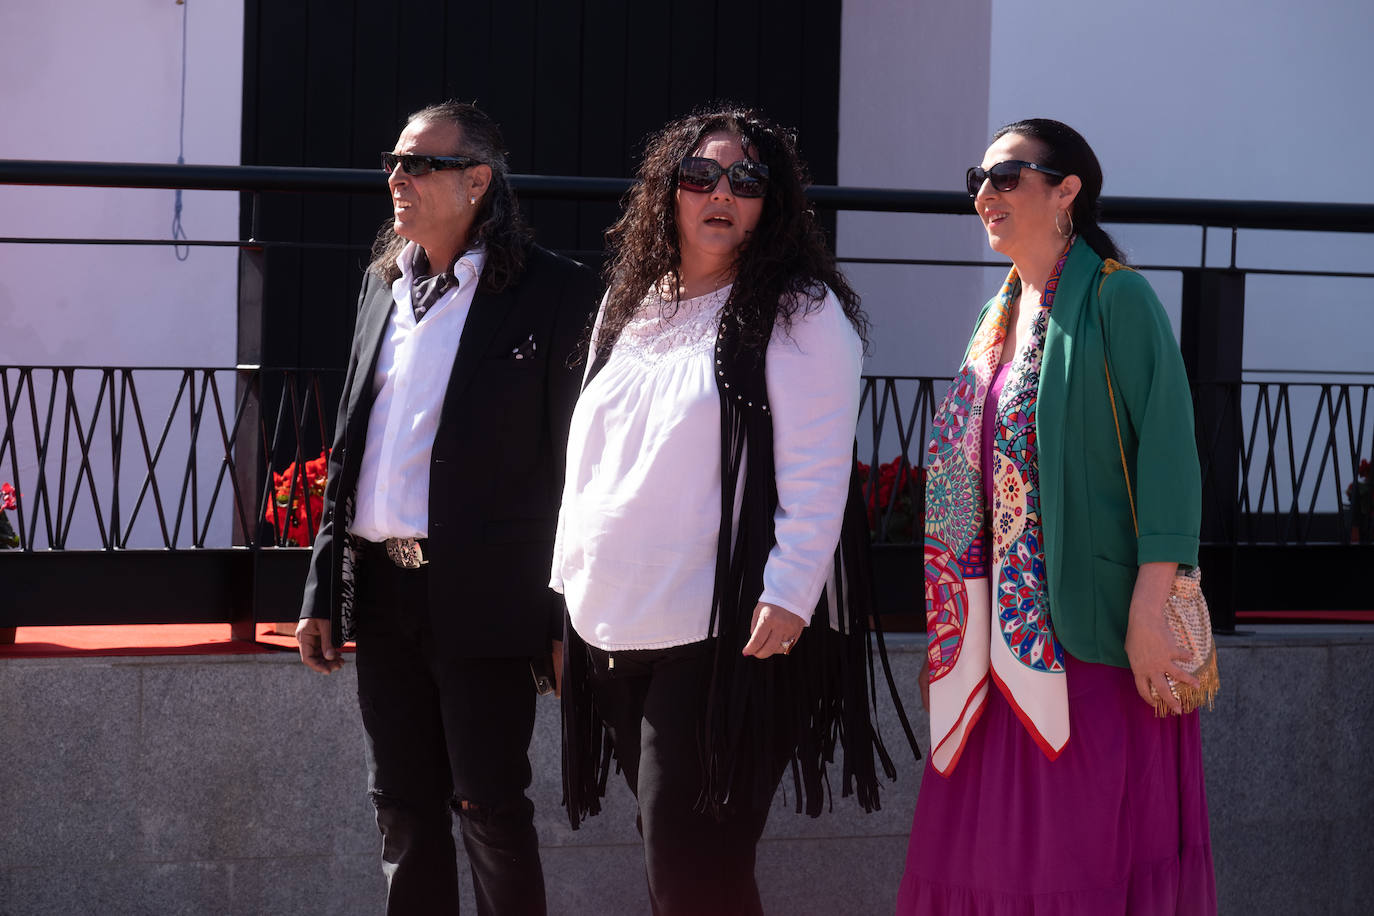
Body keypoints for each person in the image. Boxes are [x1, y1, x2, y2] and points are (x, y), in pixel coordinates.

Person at [551, 107, 890, 916]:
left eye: (746, 181)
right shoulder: (635, 302)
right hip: (615, 623)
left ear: (773, 204)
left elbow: (818, 469)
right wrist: (564, 599)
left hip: (726, 633)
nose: (721, 194)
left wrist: (791, 589)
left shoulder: (800, 311)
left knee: (692, 870)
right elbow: (587, 463)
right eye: (699, 175)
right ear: (667, 192)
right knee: (686, 870)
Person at [896, 118, 1216, 913]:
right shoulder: (993, 320)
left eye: (1007, 177)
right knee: (997, 867)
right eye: (978, 178)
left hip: (1093, 642)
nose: (985, 194)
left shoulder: (1119, 298)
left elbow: (1170, 459)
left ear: (1067, 191)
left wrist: (1150, 606)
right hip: (990, 648)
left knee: (1079, 864)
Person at [295, 100, 599, 915]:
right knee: (400, 805)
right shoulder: (380, 283)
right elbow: (352, 448)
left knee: (489, 806)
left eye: (419, 163)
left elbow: (580, 467)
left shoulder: (556, 293)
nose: (397, 176)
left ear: (477, 181)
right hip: (385, 595)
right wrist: (325, 590)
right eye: (394, 161)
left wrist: (563, 616)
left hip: (488, 597)